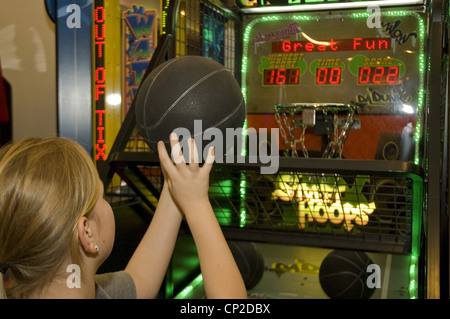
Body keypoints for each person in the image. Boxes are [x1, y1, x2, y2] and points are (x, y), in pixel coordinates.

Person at [0, 133, 247, 299]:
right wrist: (197, 205)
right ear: (87, 233)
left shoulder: (77, 285)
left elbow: (140, 280)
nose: (105, 202)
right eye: (102, 196)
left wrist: (175, 188)